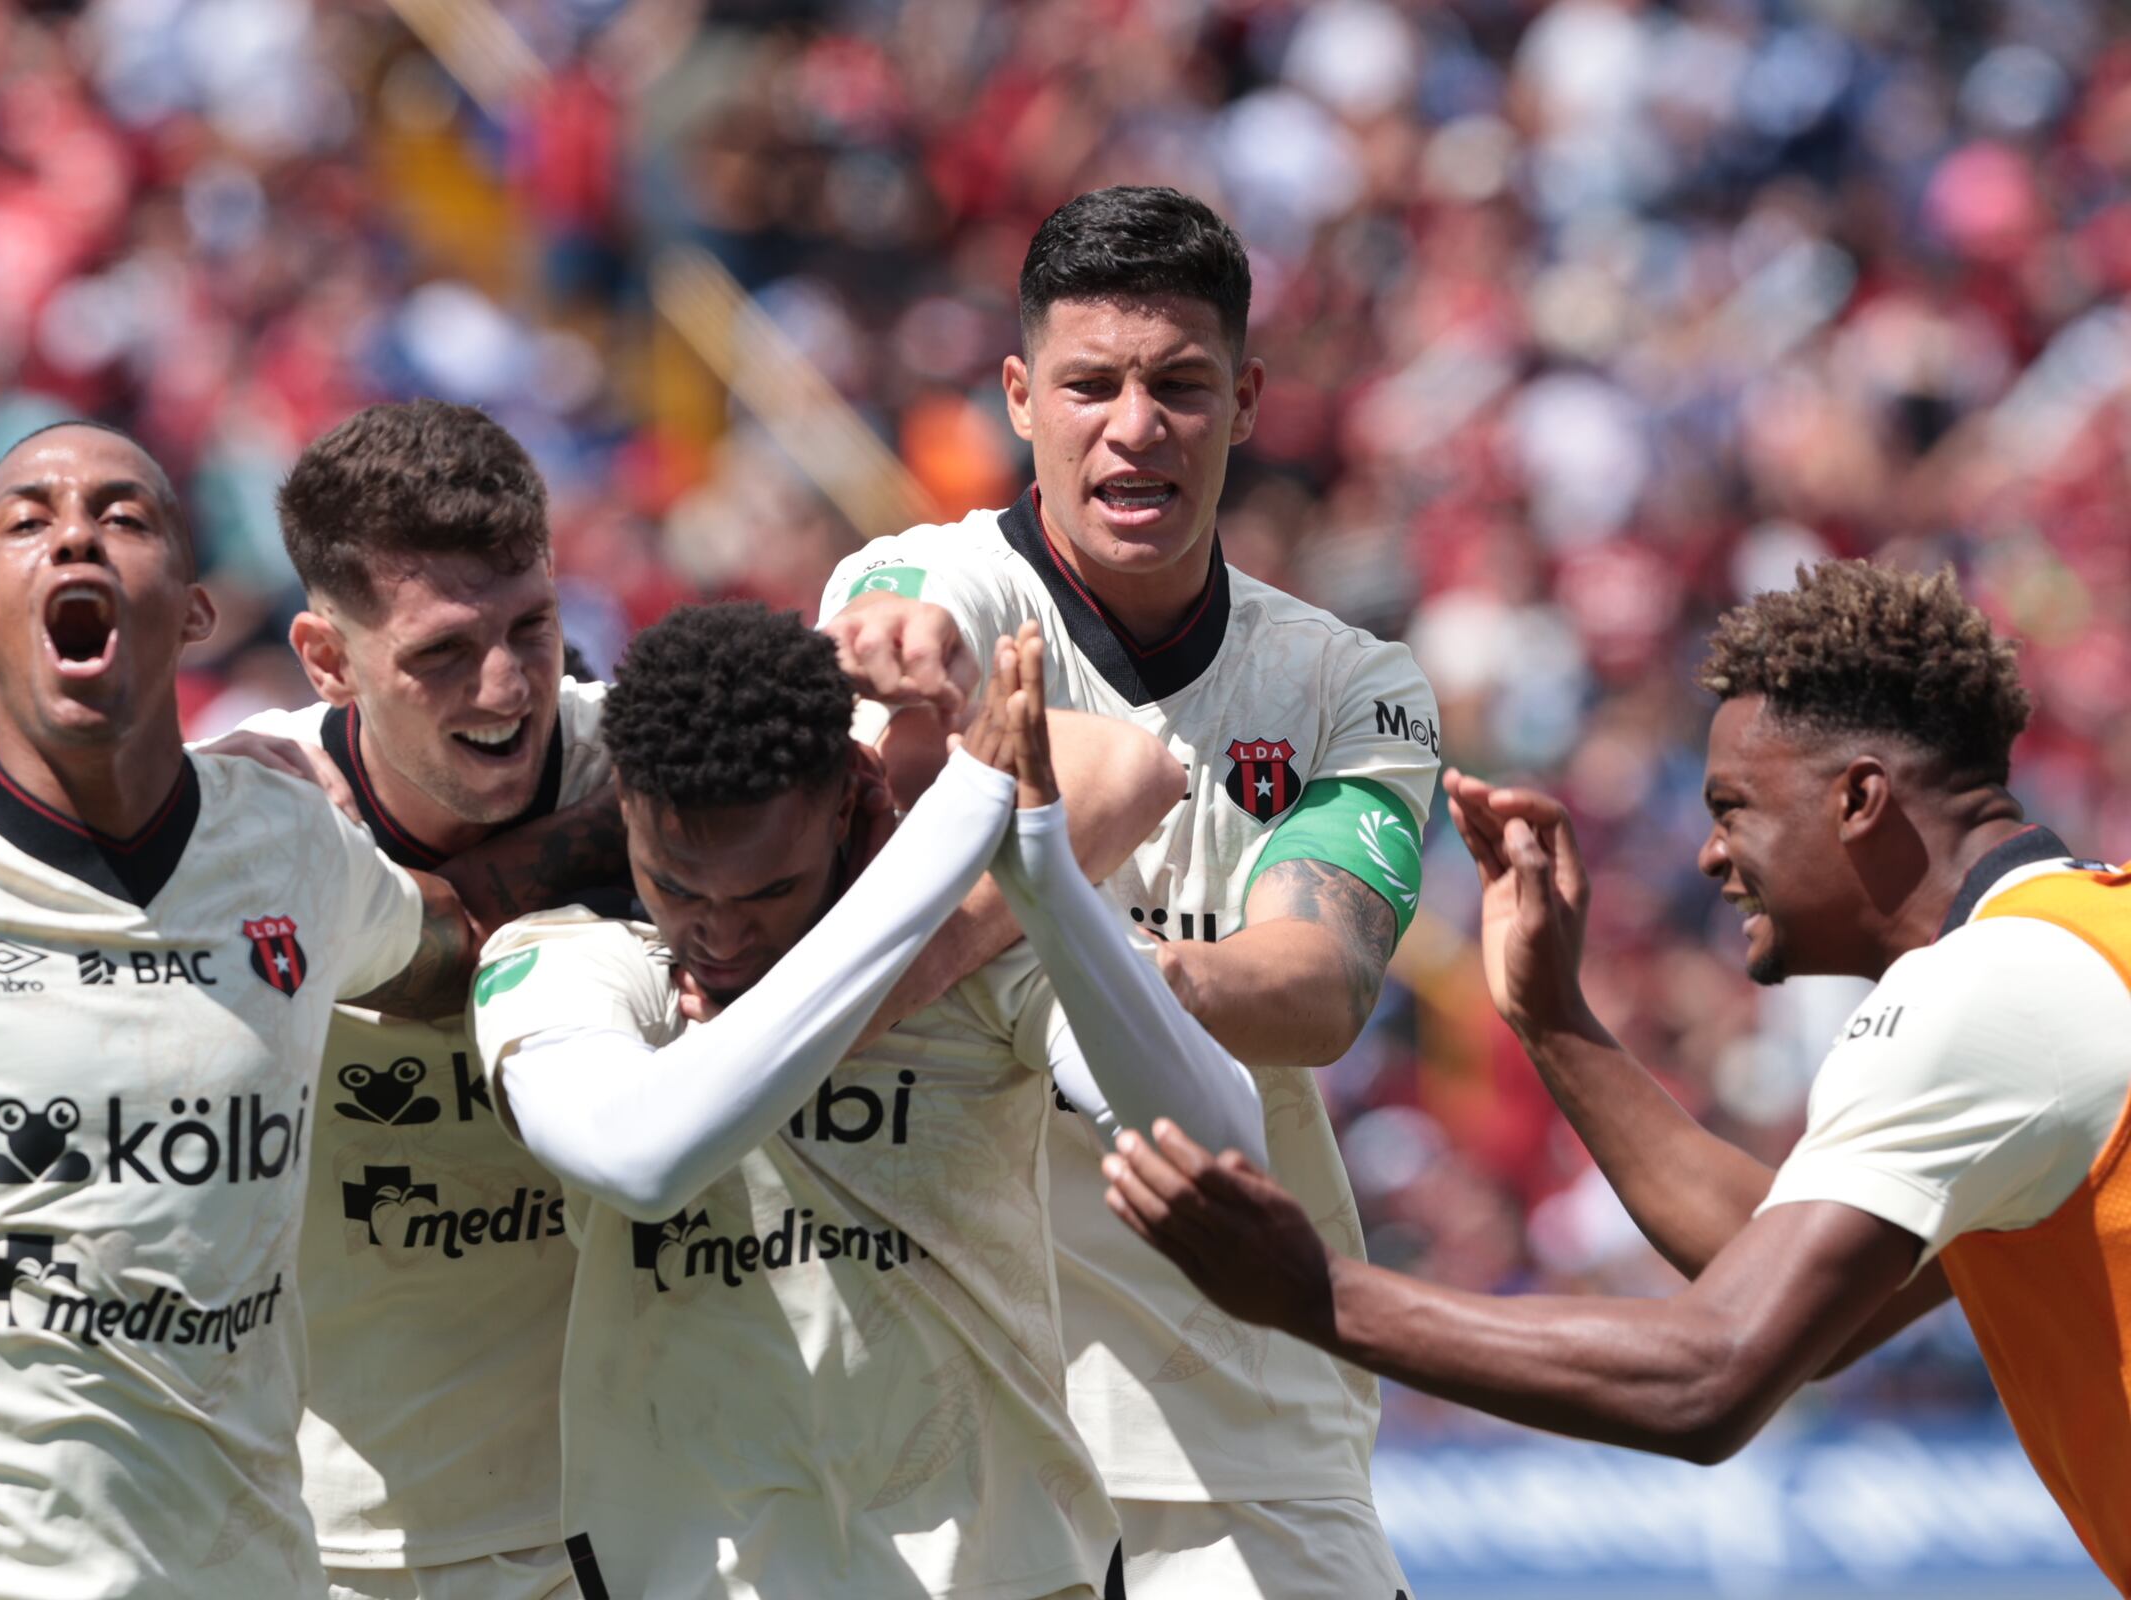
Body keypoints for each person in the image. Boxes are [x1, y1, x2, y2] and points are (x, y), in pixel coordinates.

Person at [1103, 560, 2131, 1593]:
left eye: (1733, 808)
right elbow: (1800, 1292)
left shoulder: (1985, 989)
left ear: (1859, 798)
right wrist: (1552, 1019)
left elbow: (1715, 1369)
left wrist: (1318, 1293)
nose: (1711, 856)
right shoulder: (2074, 948)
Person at [0, 422, 487, 1598]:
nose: (76, 534)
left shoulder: (292, 845)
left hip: (244, 1568)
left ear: (193, 611)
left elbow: (451, 942)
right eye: (27, 521)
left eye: (124, 517)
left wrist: (651, 857)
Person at [818, 185, 1435, 1594]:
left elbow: (1320, 985)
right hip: (951, 1417)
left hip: (1240, 1420)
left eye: (1182, 385)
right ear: (1020, 397)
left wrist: (1091, 980)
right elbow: (908, 616)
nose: (1136, 426)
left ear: (1248, 401)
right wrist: (907, 648)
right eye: (1091, 385)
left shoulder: (1349, 686)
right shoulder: (933, 577)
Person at [469, 605, 1262, 1600]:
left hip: (1009, 1573)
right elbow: (641, 1159)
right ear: (623, 804)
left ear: (849, 801)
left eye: (769, 892)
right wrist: (956, 829)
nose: (719, 935)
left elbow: (1217, 1148)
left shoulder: (975, 957)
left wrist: (1048, 883)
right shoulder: (565, 961)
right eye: (677, 887)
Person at [218, 401, 620, 1600]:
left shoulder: (656, 769)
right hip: (324, 1542)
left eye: (532, 626)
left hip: (628, 1522)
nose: (505, 686)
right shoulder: (242, 825)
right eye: (442, 652)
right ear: (326, 658)